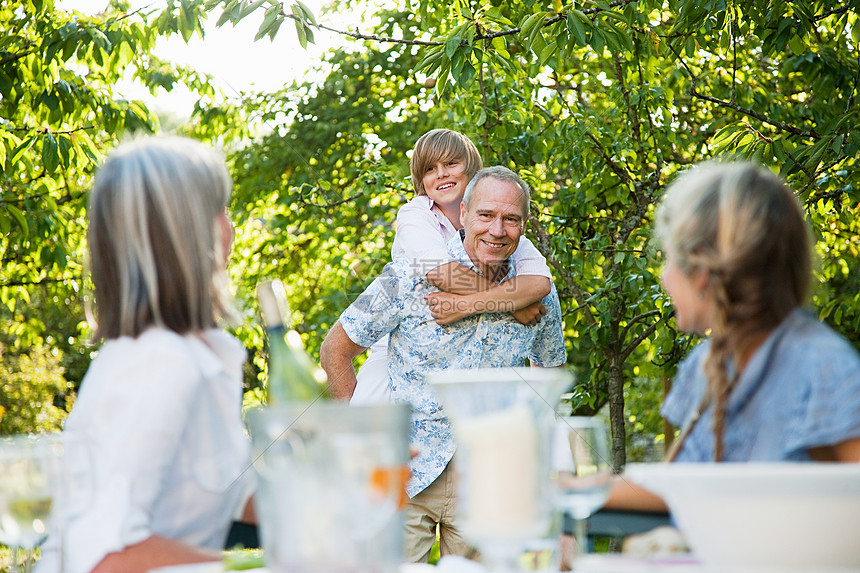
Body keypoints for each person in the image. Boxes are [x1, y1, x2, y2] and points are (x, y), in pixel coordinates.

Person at [320, 166, 567, 562]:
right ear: (463, 213)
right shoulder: (409, 275)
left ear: (524, 226)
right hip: (404, 474)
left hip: (490, 484)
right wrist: (362, 439)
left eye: (511, 219)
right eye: (486, 215)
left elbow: (551, 375)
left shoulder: (537, 294)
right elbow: (336, 348)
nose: (497, 230)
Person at [38, 137, 254, 573]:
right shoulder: (155, 363)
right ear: (190, 232)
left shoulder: (207, 355)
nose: (231, 227)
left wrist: (345, 479)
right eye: (222, 210)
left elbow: (233, 490)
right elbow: (104, 558)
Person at [609, 161, 860, 514]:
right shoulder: (706, 365)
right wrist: (567, 491)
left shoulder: (825, 368)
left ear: (701, 272)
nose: (664, 278)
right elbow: (681, 488)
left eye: (668, 259)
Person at [350, 129, 553, 405]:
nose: (441, 174)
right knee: (370, 422)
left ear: (471, 169)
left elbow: (540, 283)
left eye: (451, 164)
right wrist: (514, 303)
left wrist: (469, 304)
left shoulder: (498, 225)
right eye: (430, 169)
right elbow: (441, 272)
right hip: (394, 353)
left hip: (462, 357)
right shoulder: (416, 215)